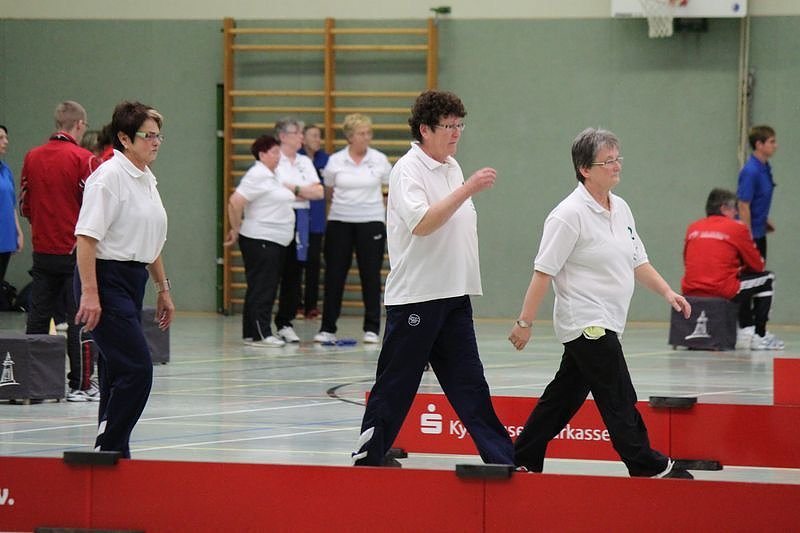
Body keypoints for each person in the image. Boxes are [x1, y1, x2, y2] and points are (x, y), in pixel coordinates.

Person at [507, 127, 693, 479]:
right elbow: (543, 272)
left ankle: (521, 456)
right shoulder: (567, 215)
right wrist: (524, 322)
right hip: (586, 321)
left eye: (617, 158)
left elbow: (638, 261)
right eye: (607, 161)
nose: (616, 166)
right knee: (617, 390)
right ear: (585, 169)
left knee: (564, 396)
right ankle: (644, 463)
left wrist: (668, 292)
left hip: (610, 318)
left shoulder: (620, 208)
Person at [352, 90, 514, 467]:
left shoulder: (451, 167)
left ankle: (502, 458)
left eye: (460, 125)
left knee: (470, 382)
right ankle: (368, 456)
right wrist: (467, 189)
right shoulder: (409, 170)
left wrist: (462, 186)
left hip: (455, 295)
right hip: (418, 298)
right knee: (397, 383)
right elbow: (423, 223)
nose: (456, 133)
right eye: (448, 126)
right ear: (425, 129)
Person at [74, 100, 174, 458]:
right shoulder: (109, 177)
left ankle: (112, 453)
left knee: (117, 371)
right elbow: (85, 238)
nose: (156, 142)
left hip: (133, 280)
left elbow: (152, 240)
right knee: (137, 370)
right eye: (148, 135)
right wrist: (90, 293)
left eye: (158, 135)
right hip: (105, 278)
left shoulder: (146, 178)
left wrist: (163, 289)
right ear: (124, 138)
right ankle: (109, 447)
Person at [19, 101, 101, 402]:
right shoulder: (84, 159)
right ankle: (81, 384)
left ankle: (33, 384)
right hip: (74, 252)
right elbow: (96, 208)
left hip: (42, 250)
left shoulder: (32, 156)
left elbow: (26, 204)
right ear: (79, 125)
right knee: (79, 318)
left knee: (38, 318)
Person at [314, 114, 392, 345]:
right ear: (350, 136)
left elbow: (389, 191)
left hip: (371, 221)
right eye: (361, 133)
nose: (366, 137)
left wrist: (379, 210)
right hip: (340, 221)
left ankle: (372, 328)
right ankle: (327, 328)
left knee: (370, 275)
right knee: (334, 275)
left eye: (369, 133)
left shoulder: (379, 160)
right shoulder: (335, 161)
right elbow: (328, 193)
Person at [682, 188, 783, 350]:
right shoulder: (737, 227)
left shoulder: (693, 227)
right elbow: (757, 266)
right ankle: (760, 335)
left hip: (691, 289)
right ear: (724, 209)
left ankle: (745, 327)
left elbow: (687, 260)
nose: (736, 212)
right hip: (720, 289)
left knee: (740, 278)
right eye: (734, 208)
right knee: (767, 279)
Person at [224, 135, 297, 347]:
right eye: (274, 152)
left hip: (275, 240)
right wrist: (236, 228)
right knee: (263, 287)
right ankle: (260, 333)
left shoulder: (273, 175)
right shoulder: (258, 175)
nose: (278, 156)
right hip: (261, 238)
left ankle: (251, 332)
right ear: (262, 155)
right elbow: (235, 202)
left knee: (263, 285)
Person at [272, 118, 324, 343]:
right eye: (297, 133)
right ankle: (261, 324)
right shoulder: (273, 157)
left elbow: (319, 192)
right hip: (277, 217)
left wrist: (293, 188)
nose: (301, 137)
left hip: (301, 218)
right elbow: (275, 188)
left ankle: (285, 322)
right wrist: (303, 190)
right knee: (274, 272)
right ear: (283, 136)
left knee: (295, 272)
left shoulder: (304, 161)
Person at [297, 124, 329, 320]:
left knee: (314, 265)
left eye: (320, 136)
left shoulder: (326, 160)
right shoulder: (296, 159)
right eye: (314, 136)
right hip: (299, 219)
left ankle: (311, 306)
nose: (318, 140)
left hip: (317, 221)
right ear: (304, 138)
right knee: (296, 265)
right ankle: (296, 305)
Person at [737, 125, 777, 260]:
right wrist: (748, 239)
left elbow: (759, 197)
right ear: (759, 144)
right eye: (771, 142)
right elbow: (743, 205)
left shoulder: (765, 167)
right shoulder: (751, 171)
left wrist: (764, 219)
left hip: (760, 230)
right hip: (751, 235)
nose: (775, 146)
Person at [0, 125, 23, 288]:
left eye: (6, 137)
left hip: (6, 235)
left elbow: (12, 202)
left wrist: (18, 231)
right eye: (1, 138)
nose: (5, 142)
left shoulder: (5, 170)